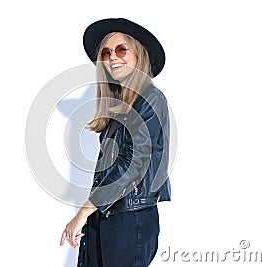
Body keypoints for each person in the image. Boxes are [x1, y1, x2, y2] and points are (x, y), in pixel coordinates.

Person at [60, 18, 172, 267]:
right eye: (106, 53)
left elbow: (133, 164)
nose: (113, 57)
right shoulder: (119, 108)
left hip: (130, 217)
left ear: (138, 55)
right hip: (106, 214)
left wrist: (83, 213)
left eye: (121, 49)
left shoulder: (150, 98)